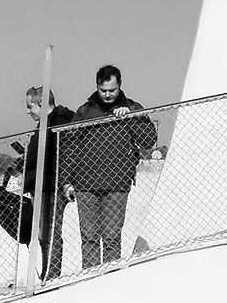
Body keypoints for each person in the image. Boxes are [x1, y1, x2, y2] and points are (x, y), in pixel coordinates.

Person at [63, 65, 157, 270]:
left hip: (117, 184)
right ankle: (89, 280)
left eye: (112, 90)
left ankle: (110, 280)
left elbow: (149, 140)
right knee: (89, 238)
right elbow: (70, 147)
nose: (107, 94)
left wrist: (131, 118)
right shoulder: (85, 111)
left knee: (113, 237)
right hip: (85, 184)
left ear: (120, 86)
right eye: (103, 90)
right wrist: (67, 180)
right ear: (97, 86)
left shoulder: (132, 108)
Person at [22, 87, 76, 281]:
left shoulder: (57, 123)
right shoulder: (46, 124)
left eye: (30, 106)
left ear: (42, 104)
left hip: (51, 187)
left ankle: (51, 275)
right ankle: (49, 273)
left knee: (49, 233)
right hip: (42, 187)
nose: (28, 111)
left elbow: (59, 156)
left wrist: (65, 182)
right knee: (43, 234)